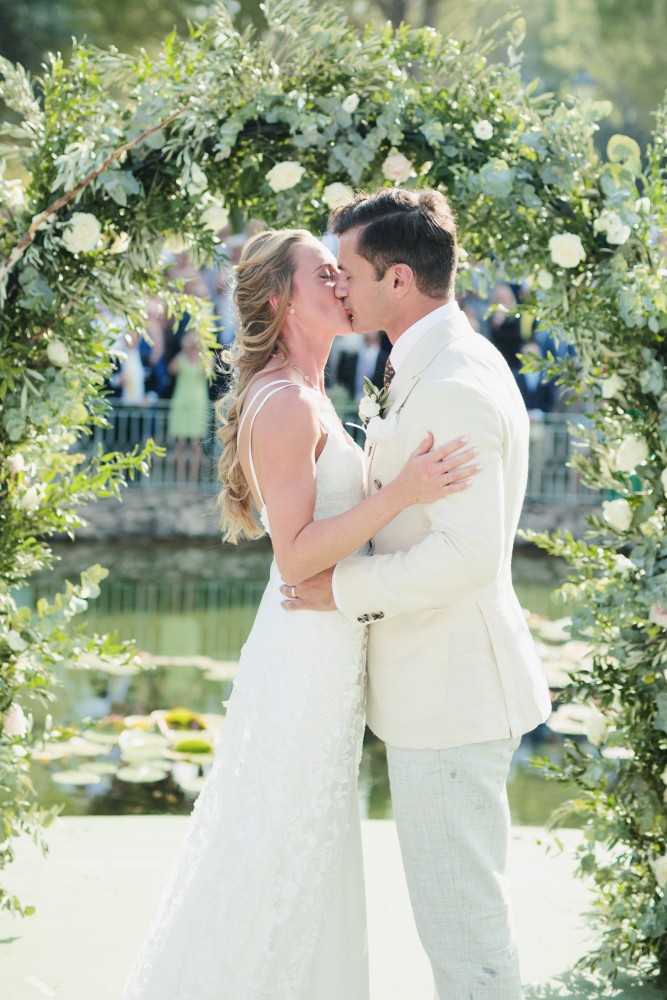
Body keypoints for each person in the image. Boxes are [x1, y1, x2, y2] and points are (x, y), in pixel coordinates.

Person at [122, 227, 480, 1000]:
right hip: (305, 642)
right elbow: (295, 554)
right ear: (283, 299)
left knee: (310, 834)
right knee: (285, 832)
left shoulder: (308, 391)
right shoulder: (284, 402)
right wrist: (403, 492)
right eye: (325, 273)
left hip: (328, 639)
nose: (342, 283)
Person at [280, 189, 552, 999]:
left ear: (398, 279)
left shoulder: (453, 381)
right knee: (458, 916)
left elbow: (465, 558)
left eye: (349, 273)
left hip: (451, 692)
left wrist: (343, 589)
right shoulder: (430, 358)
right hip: (439, 688)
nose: (337, 288)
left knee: (461, 927)